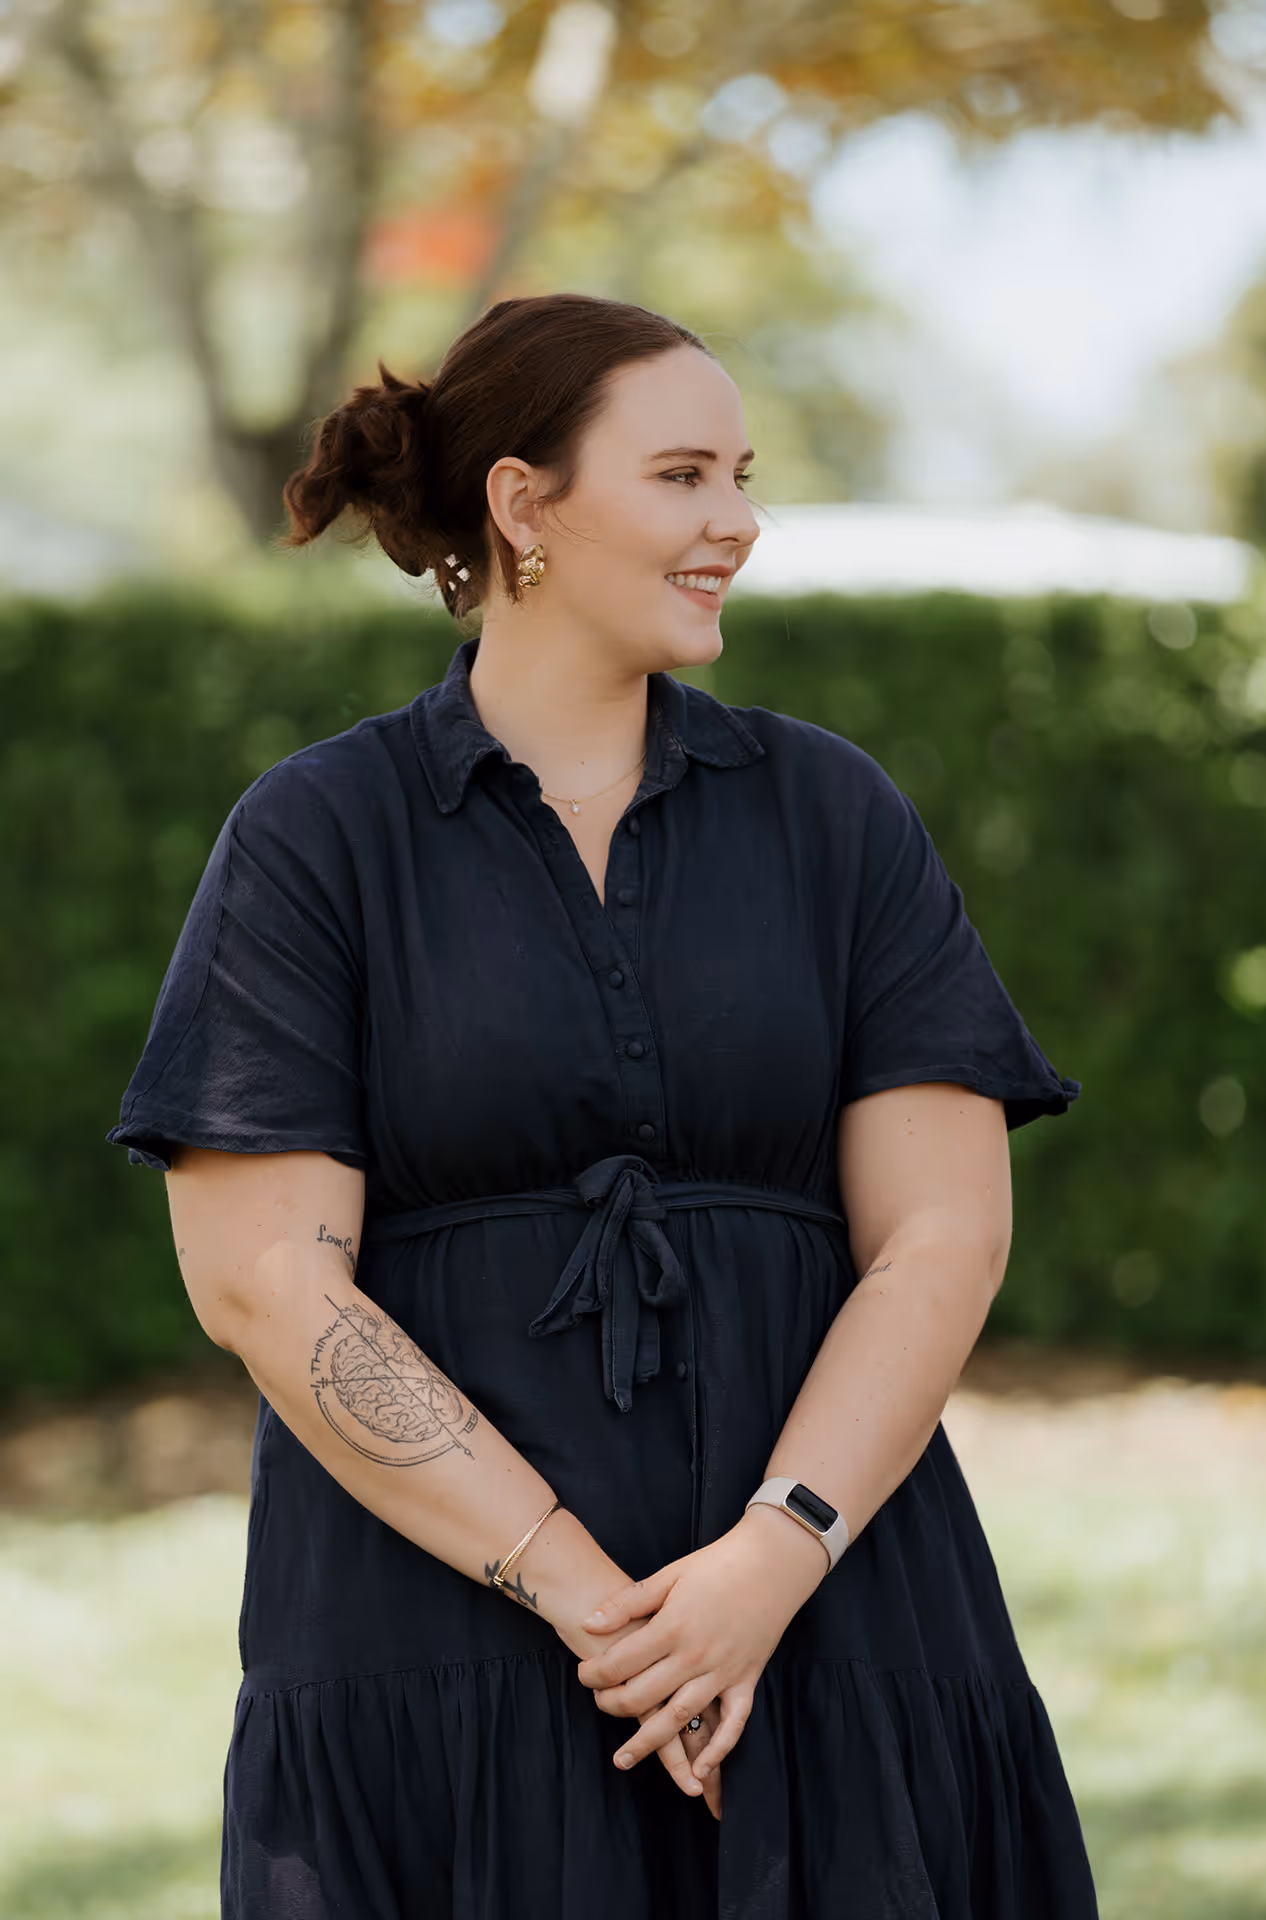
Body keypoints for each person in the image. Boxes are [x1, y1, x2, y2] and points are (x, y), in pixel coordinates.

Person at [108, 291, 1098, 1919]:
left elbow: (941, 1232)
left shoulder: (833, 817)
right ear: (523, 504)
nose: (740, 523)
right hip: (437, 1643)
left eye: (743, 478)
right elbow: (266, 1280)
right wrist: (606, 1612)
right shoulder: (315, 839)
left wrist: (769, 1563)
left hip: (839, 1614)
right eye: (687, 477)